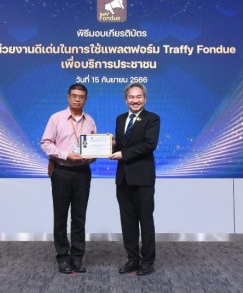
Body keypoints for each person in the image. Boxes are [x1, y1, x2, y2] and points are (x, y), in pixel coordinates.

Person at [40, 83, 97, 274]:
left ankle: (77, 257)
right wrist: (66, 155)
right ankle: (63, 257)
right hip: (62, 172)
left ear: (85, 100)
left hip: (83, 173)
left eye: (81, 97)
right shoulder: (56, 118)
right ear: (68, 97)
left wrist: (94, 155)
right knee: (60, 216)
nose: (77, 99)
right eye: (74, 96)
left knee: (79, 217)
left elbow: (94, 147)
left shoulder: (90, 121)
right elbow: (45, 143)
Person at [109, 83, 160, 276]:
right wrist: (110, 144)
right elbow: (121, 146)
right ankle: (132, 259)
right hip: (123, 178)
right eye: (131, 97)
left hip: (143, 178)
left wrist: (123, 154)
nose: (135, 100)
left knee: (145, 221)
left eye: (139, 97)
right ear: (126, 100)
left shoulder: (152, 118)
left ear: (144, 99)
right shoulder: (120, 118)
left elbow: (149, 144)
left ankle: (147, 261)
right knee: (127, 221)